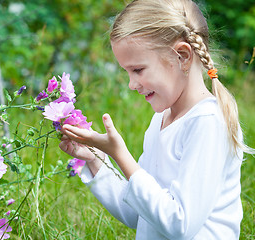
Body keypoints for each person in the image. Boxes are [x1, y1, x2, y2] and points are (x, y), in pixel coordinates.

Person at [59, 0, 254, 239]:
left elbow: (179, 225)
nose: (131, 84)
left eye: (138, 70)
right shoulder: (161, 119)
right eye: (127, 72)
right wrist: (95, 158)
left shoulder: (208, 122)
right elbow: (137, 212)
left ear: (182, 56)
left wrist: (121, 154)